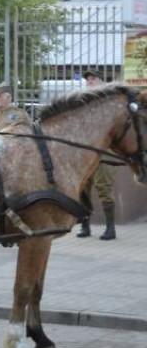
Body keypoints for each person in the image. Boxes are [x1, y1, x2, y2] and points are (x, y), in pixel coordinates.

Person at [77, 69, 117, 240]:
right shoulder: (83, 103)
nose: (89, 81)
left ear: (101, 81)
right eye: (87, 79)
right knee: (83, 191)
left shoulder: (110, 102)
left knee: (104, 190)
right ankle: (85, 226)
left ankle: (110, 228)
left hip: (105, 155)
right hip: (86, 155)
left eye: (93, 79)